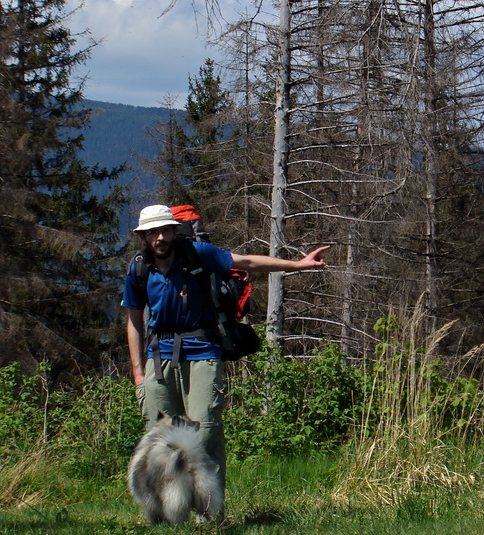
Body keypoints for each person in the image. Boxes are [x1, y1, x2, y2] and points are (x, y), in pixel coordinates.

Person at [122, 204, 329, 501]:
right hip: (159, 357)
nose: (160, 238)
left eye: (164, 230)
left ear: (173, 231)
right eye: (153, 232)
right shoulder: (139, 268)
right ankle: (170, 510)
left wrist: (297, 265)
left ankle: (209, 513)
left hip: (203, 351)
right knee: (160, 437)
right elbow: (133, 321)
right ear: (144, 237)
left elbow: (246, 262)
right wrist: (138, 373)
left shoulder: (199, 253)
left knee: (205, 433)